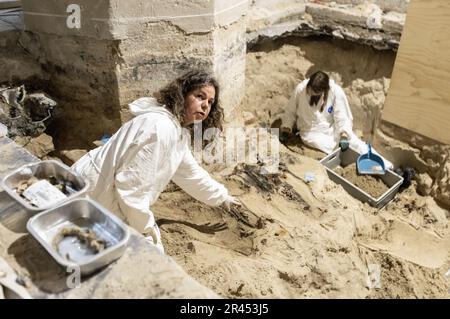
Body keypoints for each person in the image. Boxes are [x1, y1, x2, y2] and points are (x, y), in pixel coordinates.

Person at [72, 70, 240, 253]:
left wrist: (222, 197)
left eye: (210, 102)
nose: (205, 106)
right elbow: (131, 188)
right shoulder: (161, 128)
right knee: (152, 253)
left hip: (104, 194)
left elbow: (191, 174)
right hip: (92, 196)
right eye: (200, 96)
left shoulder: (176, 131)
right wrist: (146, 230)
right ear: (182, 94)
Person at [273, 70, 393, 170]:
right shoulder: (301, 89)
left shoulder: (335, 91)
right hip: (311, 132)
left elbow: (342, 116)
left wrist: (344, 134)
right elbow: (290, 111)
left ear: (324, 90)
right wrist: (286, 127)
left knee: (356, 143)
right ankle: (360, 167)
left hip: (332, 128)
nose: (311, 93)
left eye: (315, 93)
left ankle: (387, 167)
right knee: (331, 148)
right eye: (310, 90)